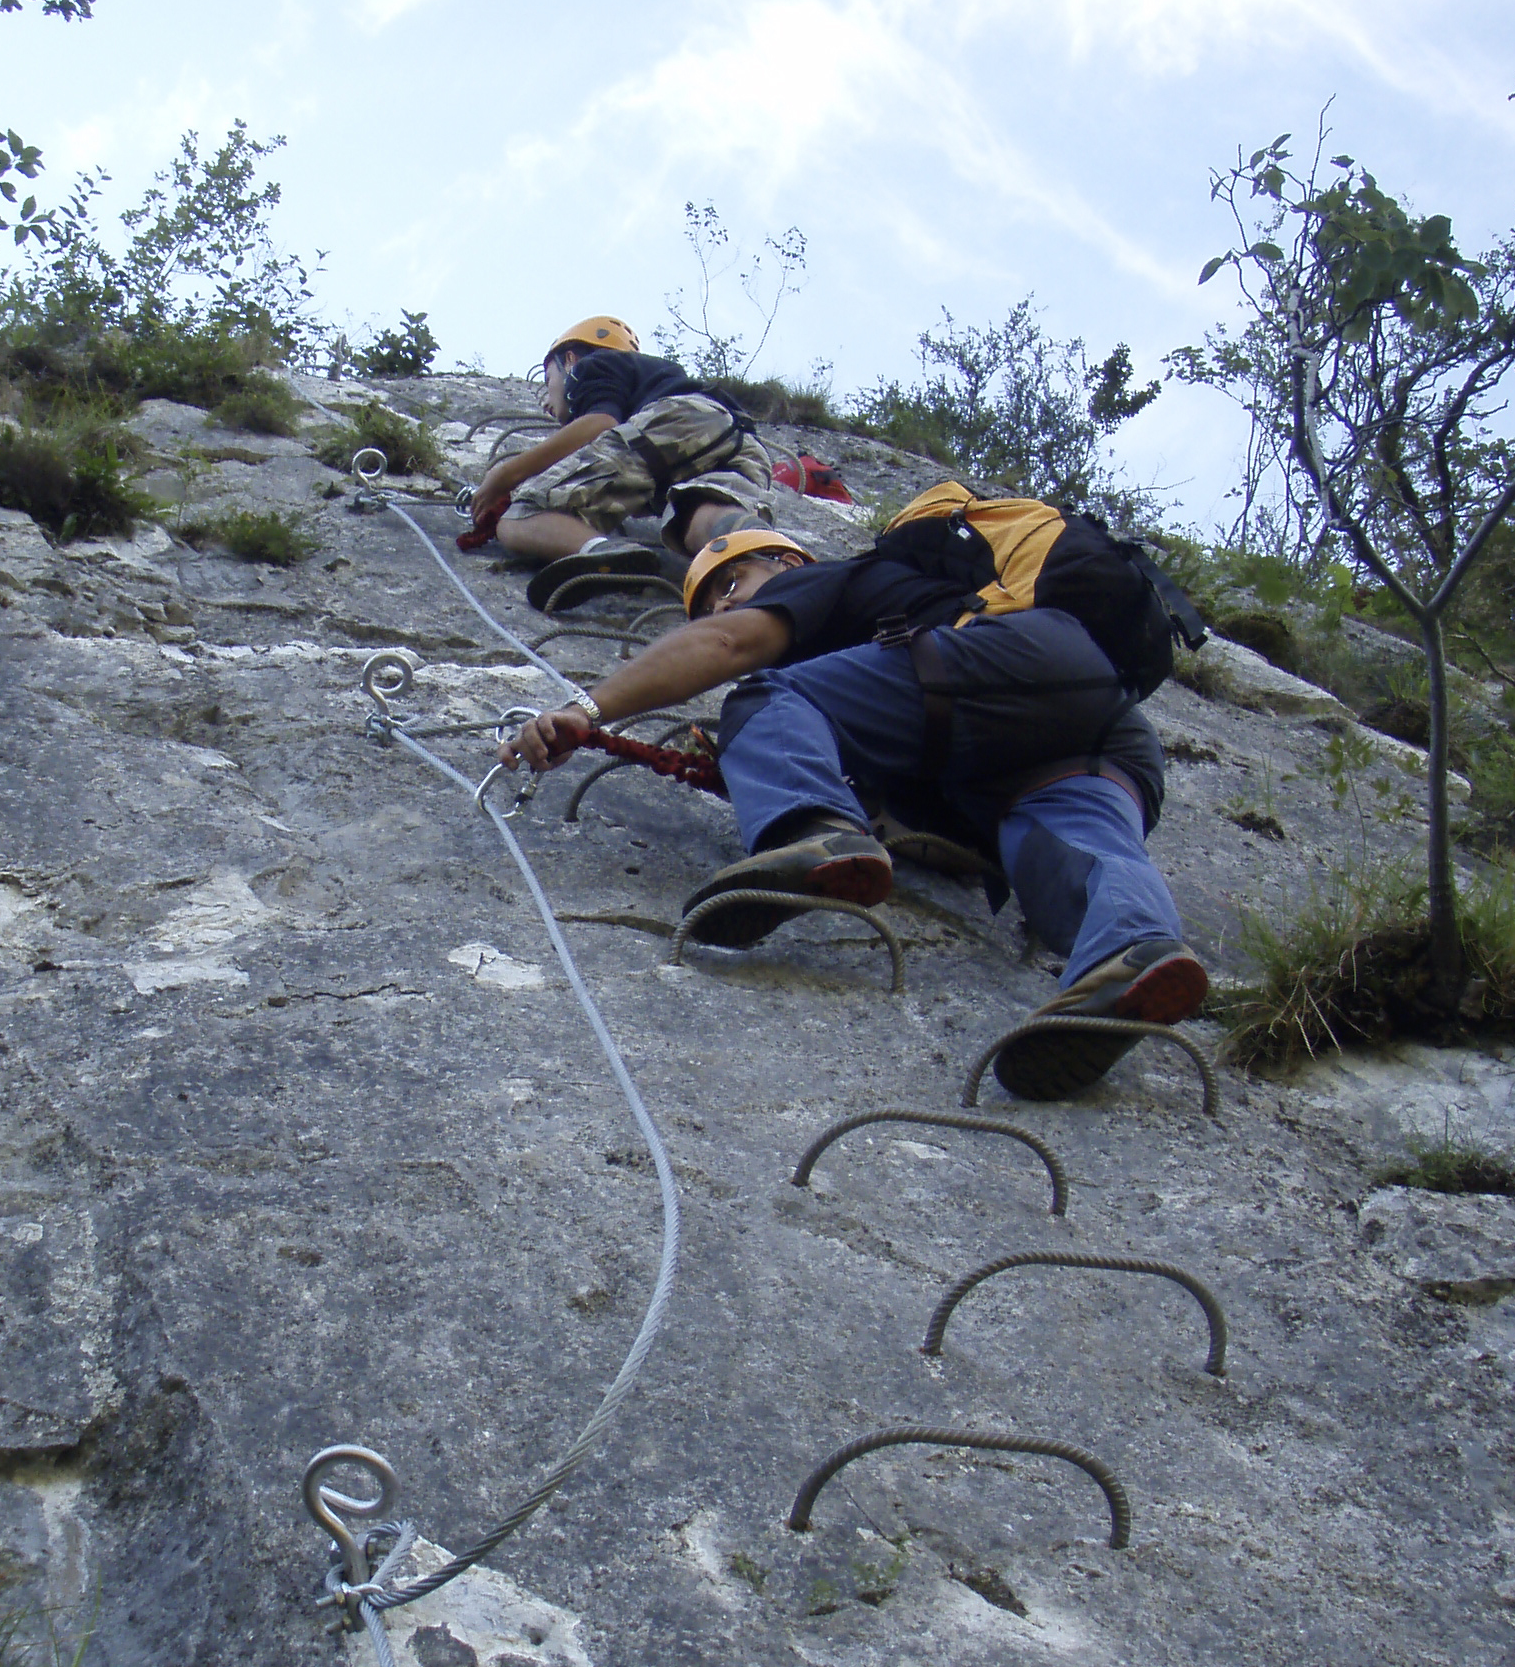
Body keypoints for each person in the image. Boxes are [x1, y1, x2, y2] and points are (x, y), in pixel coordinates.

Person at [496, 495, 1210, 1101]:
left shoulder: (830, 581)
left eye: (729, 580)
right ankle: (1133, 951)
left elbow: (729, 647)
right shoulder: (870, 677)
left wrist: (589, 710)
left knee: (761, 698)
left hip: (999, 667)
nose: (719, 602)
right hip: (1095, 730)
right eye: (706, 598)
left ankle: (815, 831)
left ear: (785, 564)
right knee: (1069, 851)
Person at [465, 316, 781, 589]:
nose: (546, 403)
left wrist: (506, 475)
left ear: (570, 359)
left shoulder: (589, 367)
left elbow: (599, 422)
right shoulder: (651, 377)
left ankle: (611, 552)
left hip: (678, 420)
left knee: (522, 515)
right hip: (744, 443)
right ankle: (770, 563)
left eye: (549, 381)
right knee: (696, 511)